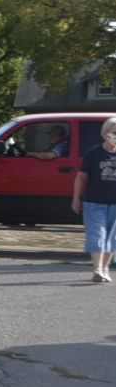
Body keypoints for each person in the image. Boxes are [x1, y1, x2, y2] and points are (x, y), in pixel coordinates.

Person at [71, 117, 116, 283]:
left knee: (112, 237)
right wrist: (76, 199)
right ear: (105, 133)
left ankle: (105, 268)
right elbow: (81, 177)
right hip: (94, 202)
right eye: (114, 132)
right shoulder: (93, 153)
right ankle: (97, 269)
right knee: (97, 234)